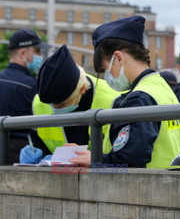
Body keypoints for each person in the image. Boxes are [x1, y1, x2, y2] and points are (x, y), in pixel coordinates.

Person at [70, 15, 180, 168]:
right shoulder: (161, 88)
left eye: (105, 70)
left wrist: (96, 159)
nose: (108, 77)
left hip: (141, 188)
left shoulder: (139, 98)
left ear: (118, 58)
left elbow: (130, 158)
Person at [17, 45, 122, 163]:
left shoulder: (112, 101)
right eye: (51, 104)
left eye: (62, 105)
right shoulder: (39, 103)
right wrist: (38, 153)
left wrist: (98, 159)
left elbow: (124, 155)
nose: (54, 109)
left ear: (82, 89)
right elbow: (38, 144)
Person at [0, 29, 52, 164]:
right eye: (37, 51)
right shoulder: (32, 85)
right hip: (22, 154)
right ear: (23, 53)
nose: (41, 55)